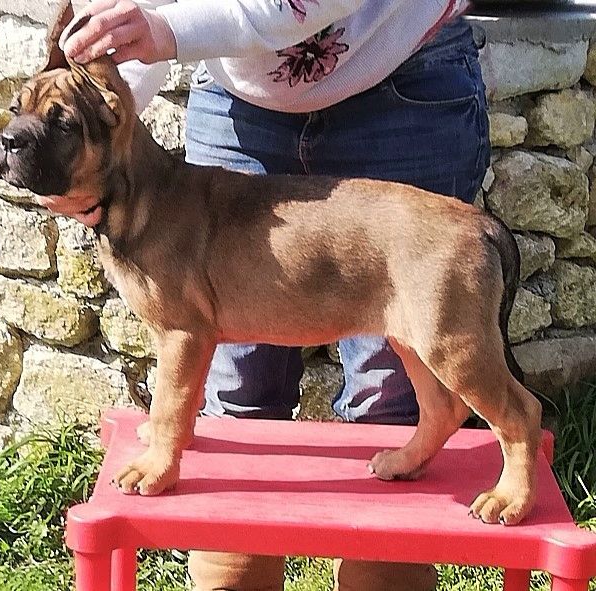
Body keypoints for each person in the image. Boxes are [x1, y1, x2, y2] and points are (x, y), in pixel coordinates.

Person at [52, 1, 490, 589]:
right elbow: (125, 19)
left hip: (400, 84)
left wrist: (166, 31)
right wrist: (96, 135)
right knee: (238, 394)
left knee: (389, 395)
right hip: (241, 101)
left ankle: (385, 563)